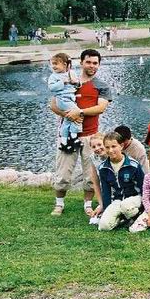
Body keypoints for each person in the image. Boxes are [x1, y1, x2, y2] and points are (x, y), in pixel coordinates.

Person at [49, 49, 112, 217]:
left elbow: (101, 107)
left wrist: (80, 112)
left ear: (99, 65)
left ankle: (88, 204)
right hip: (68, 135)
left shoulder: (101, 86)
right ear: (81, 62)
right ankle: (59, 204)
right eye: (88, 62)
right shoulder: (69, 81)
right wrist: (68, 115)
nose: (92, 66)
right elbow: (53, 105)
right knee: (63, 172)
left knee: (90, 174)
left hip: (91, 137)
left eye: (95, 63)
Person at [96, 132, 145, 231]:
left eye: (114, 146)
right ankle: (122, 219)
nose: (110, 150)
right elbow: (106, 191)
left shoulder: (133, 165)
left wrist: (145, 206)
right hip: (117, 200)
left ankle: (138, 214)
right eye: (107, 147)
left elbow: (143, 186)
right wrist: (106, 209)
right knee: (103, 226)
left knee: (126, 206)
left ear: (121, 146)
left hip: (135, 198)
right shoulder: (103, 168)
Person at [48, 52, 82, 152]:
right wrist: (62, 82)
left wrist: (75, 82)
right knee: (78, 114)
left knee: (67, 120)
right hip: (62, 100)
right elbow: (51, 88)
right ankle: (74, 137)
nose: (54, 66)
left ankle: (64, 142)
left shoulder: (71, 73)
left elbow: (78, 85)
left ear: (65, 64)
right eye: (53, 64)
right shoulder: (53, 76)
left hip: (70, 99)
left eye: (56, 64)